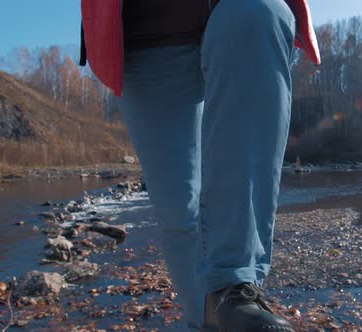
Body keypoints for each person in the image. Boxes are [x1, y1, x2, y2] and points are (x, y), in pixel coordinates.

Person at [80, 0, 320, 330]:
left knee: (258, 11)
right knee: (180, 211)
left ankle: (232, 288)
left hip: (241, 11)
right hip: (145, 32)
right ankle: (206, 319)